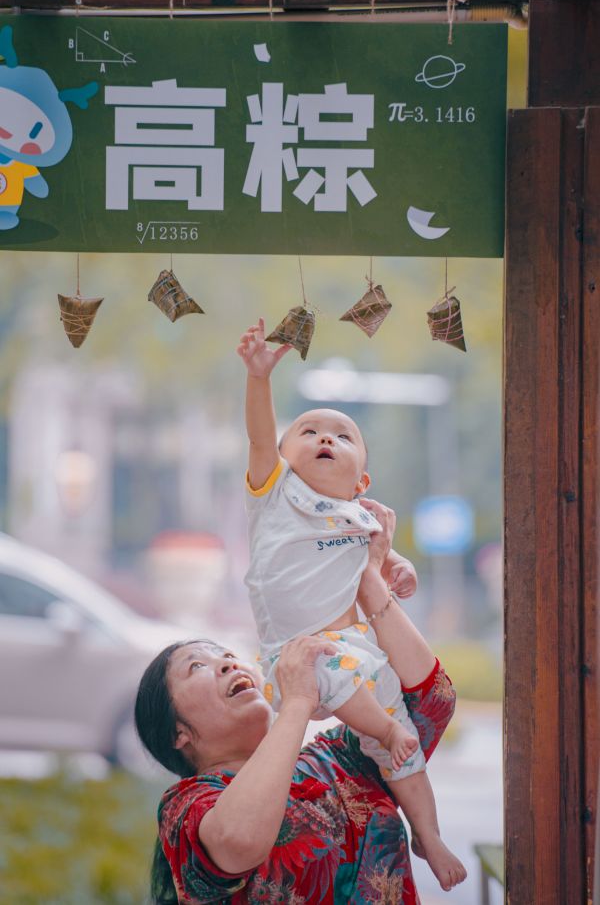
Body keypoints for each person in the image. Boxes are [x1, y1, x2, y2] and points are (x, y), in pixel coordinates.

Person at [236, 318, 466, 892]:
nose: (324, 440)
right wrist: (259, 379)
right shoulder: (276, 494)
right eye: (309, 431)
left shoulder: (363, 517)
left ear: (361, 479)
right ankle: (384, 735)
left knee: (406, 744)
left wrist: (399, 568)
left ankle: (429, 834)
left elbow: (383, 566)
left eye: (340, 437)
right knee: (376, 717)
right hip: (297, 653)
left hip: (357, 645)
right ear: (285, 459)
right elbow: (261, 438)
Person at [135, 504, 460, 903]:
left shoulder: (341, 758)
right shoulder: (187, 806)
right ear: (178, 733)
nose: (226, 663)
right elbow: (238, 840)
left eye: (224, 654)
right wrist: (299, 703)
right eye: (198, 665)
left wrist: (368, 582)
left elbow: (430, 702)